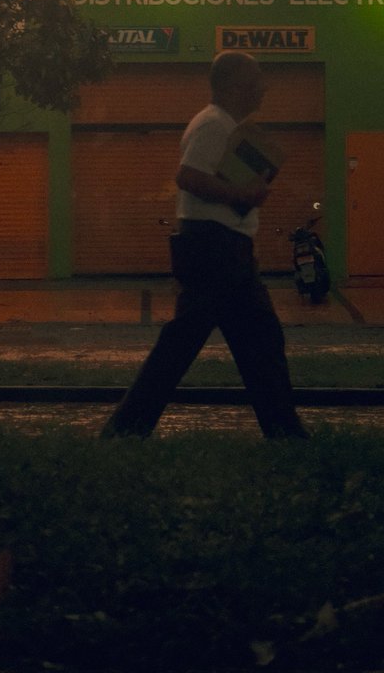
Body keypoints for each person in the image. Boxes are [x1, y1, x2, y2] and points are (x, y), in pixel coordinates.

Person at [100, 50, 308, 440]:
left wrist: (245, 198)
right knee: (254, 340)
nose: (263, 88)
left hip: (218, 249)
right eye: (256, 80)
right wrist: (241, 192)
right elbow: (188, 176)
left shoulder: (225, 124)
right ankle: (285, 434)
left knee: (197, 344)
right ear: (232, 86)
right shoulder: (214, 124)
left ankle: (125, 430)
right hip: (216, 251)